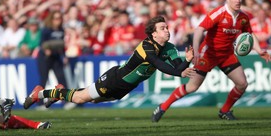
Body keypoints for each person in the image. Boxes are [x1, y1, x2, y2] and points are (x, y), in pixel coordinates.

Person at [23, 15, 198, 109]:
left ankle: (58, 92)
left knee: (89, 100)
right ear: (153, 34)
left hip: (126, 87)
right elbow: (160, 65)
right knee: (79, 98)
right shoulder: (146, 46)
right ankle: (39, 94)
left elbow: (178, 67)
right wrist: (181, 71)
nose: (167, 30)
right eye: (163, 28)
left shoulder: (170, 48)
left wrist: (186, 61)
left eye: (167, 27)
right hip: (115, 79)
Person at [151, 0, 271, 122]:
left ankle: (225, 111)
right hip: (208, 54)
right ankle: (163, 107)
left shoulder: (243, 17)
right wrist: (196, 50)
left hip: (226, 54)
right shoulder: (218, 13)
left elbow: (249, 34)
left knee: (242, 83)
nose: (238, 1)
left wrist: (259, 50)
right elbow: (198, 30)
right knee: (192, 87)